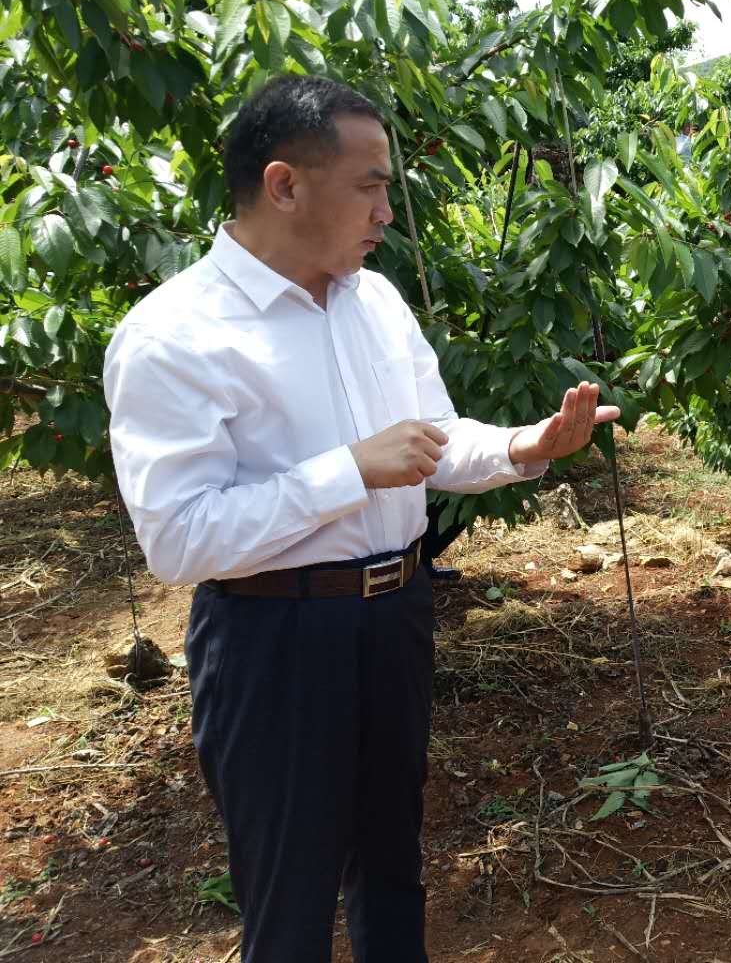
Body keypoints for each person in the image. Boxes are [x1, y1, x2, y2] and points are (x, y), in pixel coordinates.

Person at [103, 74, 618, 963]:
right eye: (370, 186)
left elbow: (432, 439)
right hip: (274, 638)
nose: (387, 211)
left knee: (391, 864)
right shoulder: (173, 336)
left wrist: (526, 445)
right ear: (284, 185)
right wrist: (346, 471)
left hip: (394, 616)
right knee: (289, 894)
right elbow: (179, 540)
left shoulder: (372, 300)